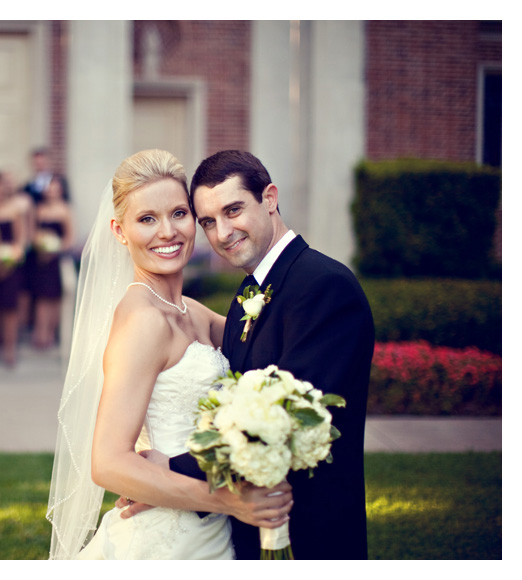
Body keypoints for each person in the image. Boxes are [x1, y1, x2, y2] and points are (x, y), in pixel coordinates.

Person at [120, 150, 375, 560]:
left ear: (270, 198)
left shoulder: (324, 287)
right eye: (208, 221)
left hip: (309, 531)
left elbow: (285, 420)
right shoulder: (249, 295)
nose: (222, 232)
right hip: (246, 529)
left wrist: (167, 473)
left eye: (233, 210)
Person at [46, 150, 293, 560]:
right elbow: (108, 463)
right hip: (168, 538)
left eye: (179, 214)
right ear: (119, 231)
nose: (168, 232)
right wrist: (226, 501)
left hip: (211, 528)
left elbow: (267, 342)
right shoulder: (143, 321)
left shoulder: (189, 310)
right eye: (147, 219)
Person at [0, 175, 27, 367]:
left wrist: (10, 261)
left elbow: (20, 240)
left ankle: (10, 349)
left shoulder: (13, 211)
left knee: (10, 310)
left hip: (10, 267)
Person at [30, 176, 73, 350]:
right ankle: (39, 332)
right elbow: (33, 233)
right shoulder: (39, 209)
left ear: (60, 190)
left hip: (56, 260)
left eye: (55, 188)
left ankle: (49, 333)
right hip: (40, 259)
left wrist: (55, 249)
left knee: (53, 297)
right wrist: (41, 246)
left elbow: (69, 237)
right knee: (41, 298)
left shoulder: (65, 210)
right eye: (49, 188)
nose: (51, 192)